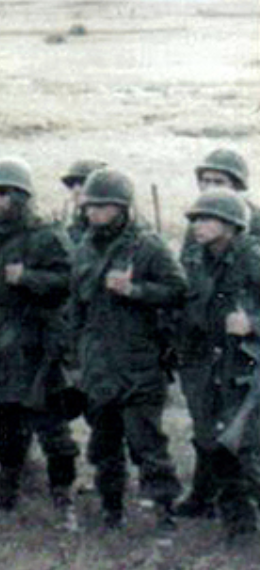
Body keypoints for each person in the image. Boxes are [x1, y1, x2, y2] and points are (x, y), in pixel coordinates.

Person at [70, 168, 187, 530]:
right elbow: (76, 306)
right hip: (98, 363)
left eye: (104, 207)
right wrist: (75, 358)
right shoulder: (85, 247)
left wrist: (136, 291)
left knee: (147, 443)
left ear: (122, 209)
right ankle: (111, 512)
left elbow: (178, 290)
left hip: (139, 362)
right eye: (91, 207)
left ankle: (165, 516)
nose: (94, 213)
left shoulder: (147, 246)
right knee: (103, 445)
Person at [0, 158, 79, 524]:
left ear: (21, 197)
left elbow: (69, 284)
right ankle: (7, 492)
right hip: (1, 348)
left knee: (53, 430)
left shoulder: (46, 236)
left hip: (38, 347)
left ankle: (64, 497)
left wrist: (29, 278)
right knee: (3, 427)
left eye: (3, 193)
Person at [174, 189, 260, 544]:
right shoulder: (197, 260)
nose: (197, 225)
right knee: (212, 444)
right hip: (208, 367)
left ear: (231, 224)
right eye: (195, 219)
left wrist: (253, 324)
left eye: (207, 218)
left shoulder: (253, 259)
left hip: (245, 368)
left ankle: (245, 524)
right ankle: (235, 522)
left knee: (241, 447)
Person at [60, 158, 107, 246]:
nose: (76, 189)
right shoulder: (71, 231)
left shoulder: (118, 230)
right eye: (72, 184)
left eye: (83, 183)